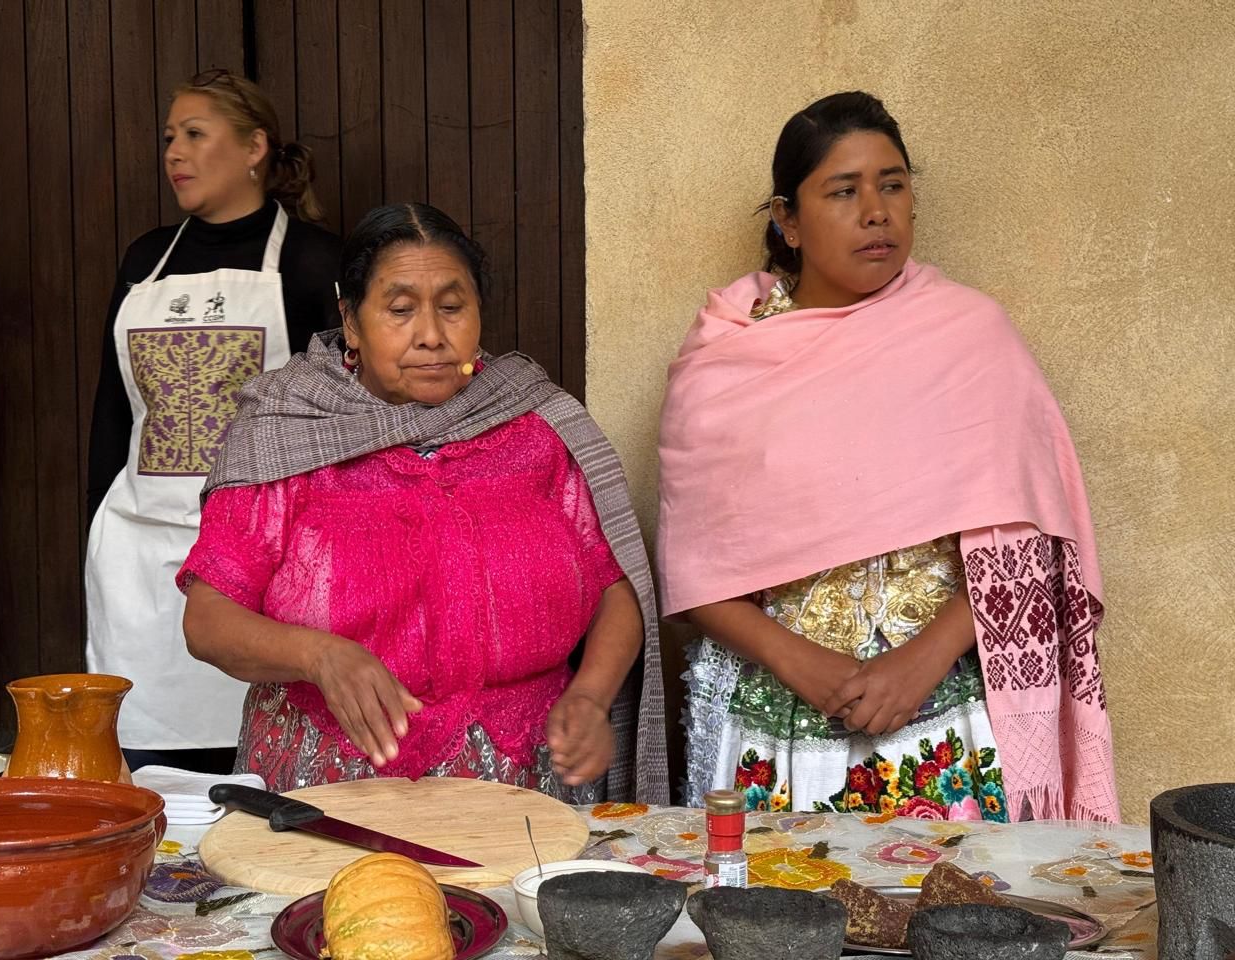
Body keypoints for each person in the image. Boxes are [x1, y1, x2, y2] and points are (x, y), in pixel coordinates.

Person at [657, 92, 1119, 822]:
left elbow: (1031, 532)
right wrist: (799, 662)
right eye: (844, 191)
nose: (877, 211)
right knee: (784, 922)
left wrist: (924, 659)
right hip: (778, 723)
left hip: (945, 721)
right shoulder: (728, 361)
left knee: (950, 917)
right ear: (788, 221)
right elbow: (694, 565)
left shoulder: (969, 335)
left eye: (893, 185)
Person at [175, 202, 669, 802]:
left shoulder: (537, 425)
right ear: (351, 322)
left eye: (453, 307)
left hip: (524, 782)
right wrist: (318, 656)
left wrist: (590, 694)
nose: (432, 335)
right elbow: (207, 621)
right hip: (329, 791)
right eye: (401, 309)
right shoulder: (286, 432)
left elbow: (615, 585)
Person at [85, 69, 341, 775]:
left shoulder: (312, 261)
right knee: (147, 773)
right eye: (170, 138)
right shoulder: (146, 260)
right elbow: (114, 409)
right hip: (139, 563)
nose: (174, 152)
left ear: (255, 146)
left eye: (195, 135)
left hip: (257, 568)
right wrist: (96, 526)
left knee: (259, 776)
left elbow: (347, 420)